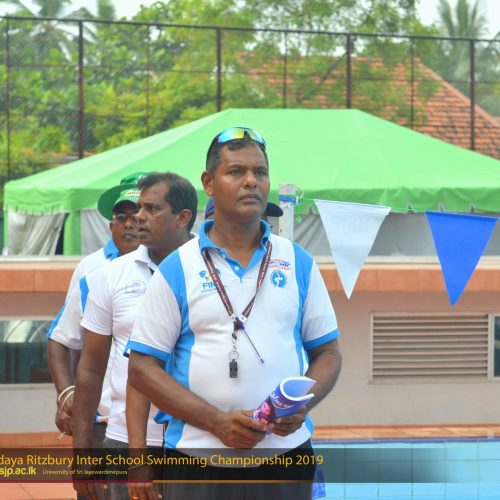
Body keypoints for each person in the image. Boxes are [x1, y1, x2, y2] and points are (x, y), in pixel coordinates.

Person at [127, 127, 342, 500]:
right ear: (209, 183)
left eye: (260, 172)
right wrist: (216, 422)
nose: (251, 182)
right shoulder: (178, 267)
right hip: (197, 460)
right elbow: (142, 368)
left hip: (285, 458)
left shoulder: (297, 261)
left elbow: (328, 353)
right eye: (236, 171)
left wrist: (303, 404)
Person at [72, 172, 198, 500]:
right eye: (138, 208)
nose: (138, 217)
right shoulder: (109, 276)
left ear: (183, 217)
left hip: (200, 438)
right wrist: (82, 449)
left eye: (149, 209)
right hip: (125, 442)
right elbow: (90, 368)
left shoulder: (212, 270)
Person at [47, 175, 143, 442]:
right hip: (103, 419)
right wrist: (67, 395)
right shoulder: (93, 269)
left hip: (160, 422)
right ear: (111, 223)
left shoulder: (172, 264)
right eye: (121, 216)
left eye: (137, 215)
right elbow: (66, 339)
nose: (130, 224)